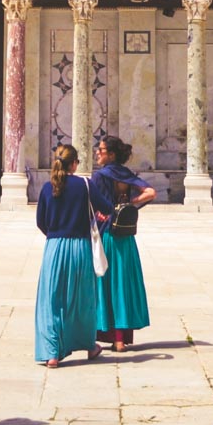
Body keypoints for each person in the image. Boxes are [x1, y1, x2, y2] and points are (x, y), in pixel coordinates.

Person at [33, 143, 99, 367]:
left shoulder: (46, 188)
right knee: (82, 300)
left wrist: (55, 234)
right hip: (80, 246)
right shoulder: (85, 185)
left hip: (54, 247)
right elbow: (106, 207)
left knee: (51, 301)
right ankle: (90, 346)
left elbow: (41, 221)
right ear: (74, 164)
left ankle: (52, 353)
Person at [89, 134, 156, 352]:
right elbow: (150, 192)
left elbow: (93, 206)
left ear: (112, 154)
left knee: (108, 284)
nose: (97, 153)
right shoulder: (125, 174)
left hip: (108, 236)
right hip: (126, 238)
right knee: (122, 284)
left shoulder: (100, 176)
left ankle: (110, 335)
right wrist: (127, 205)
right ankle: (120, 339)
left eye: (101, 150)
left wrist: (111, 211)